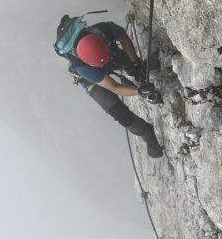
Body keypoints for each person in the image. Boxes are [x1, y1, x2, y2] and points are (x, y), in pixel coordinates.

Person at [60, 18, 164, 159]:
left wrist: (135, 64)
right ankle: (147, 134)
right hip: (90, 79)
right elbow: (114, 87)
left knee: (122, 59)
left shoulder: (104, 29)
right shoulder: (84, 69)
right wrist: (139, 91)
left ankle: (135, 70)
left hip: (107, 52)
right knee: (117, 110)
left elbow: (123, 38)